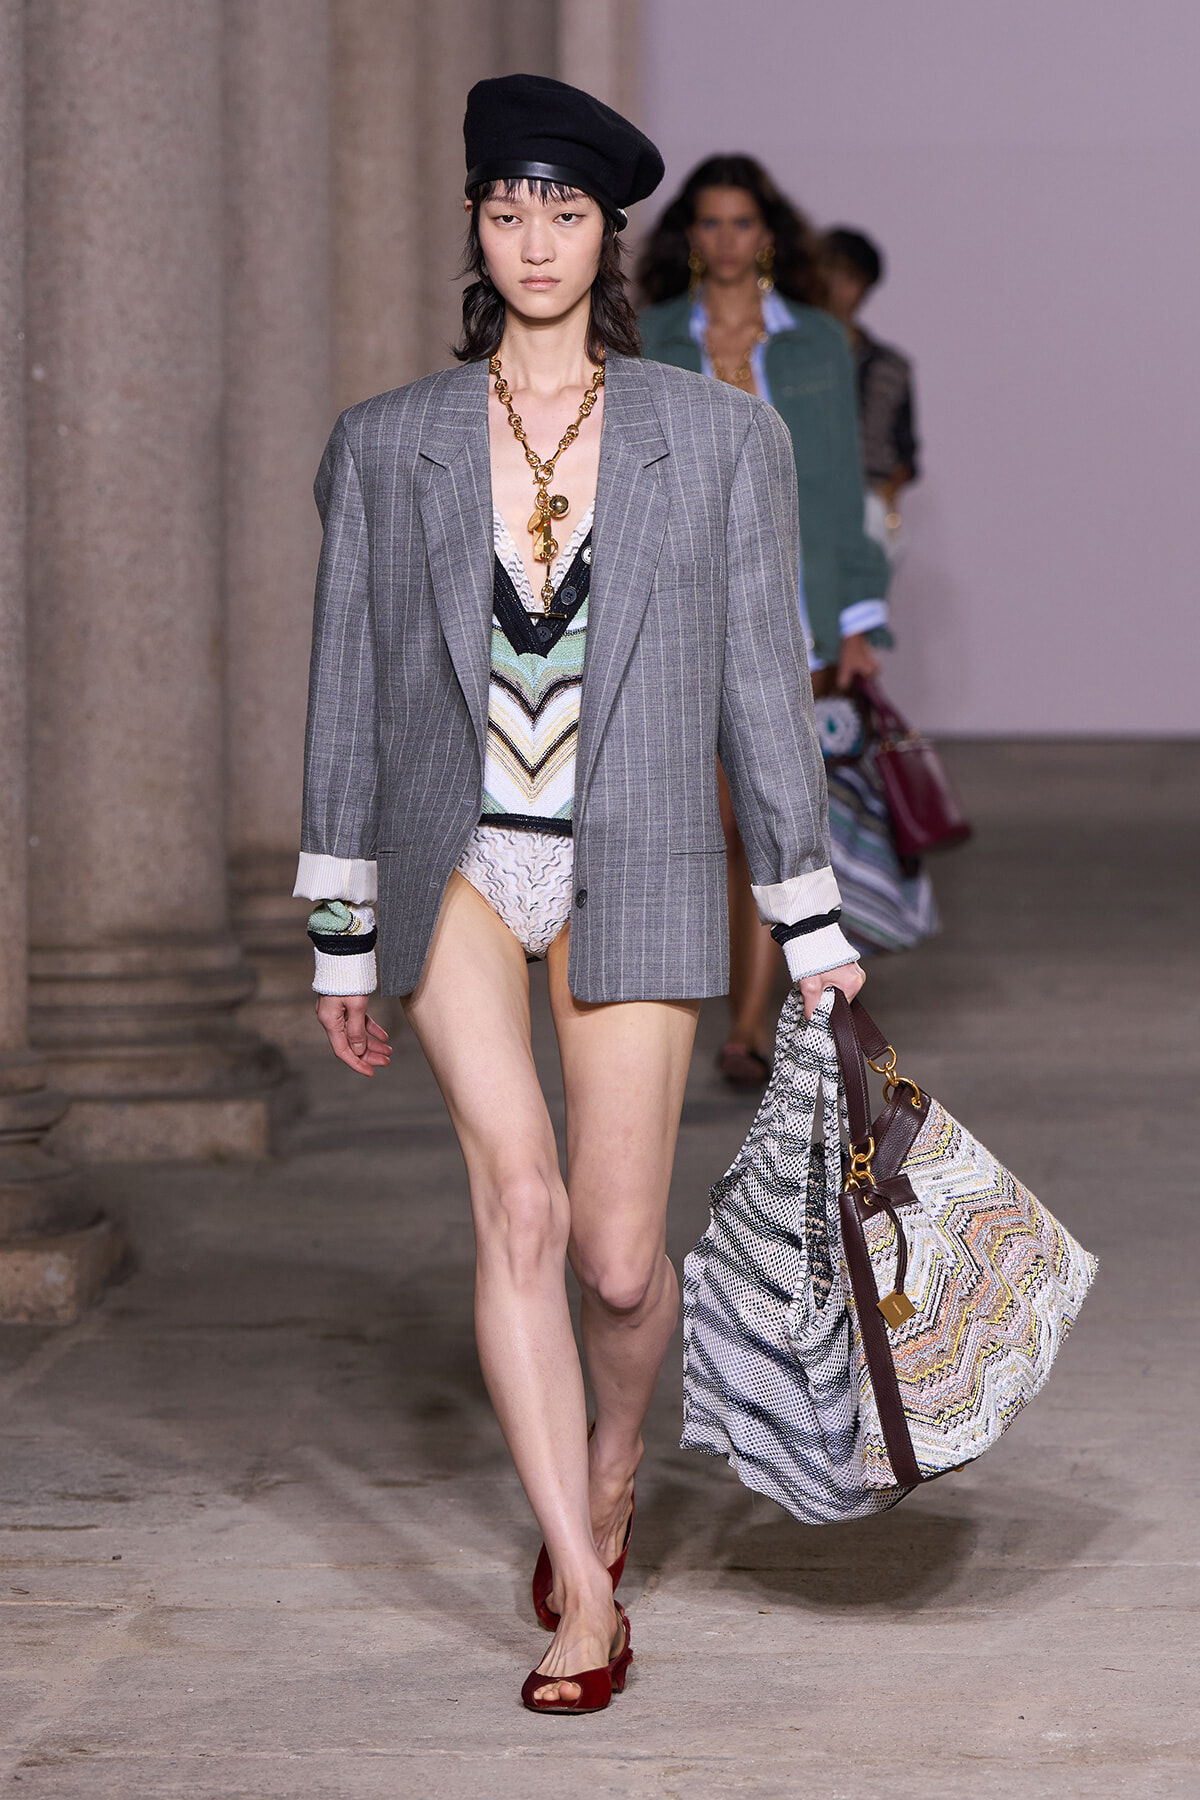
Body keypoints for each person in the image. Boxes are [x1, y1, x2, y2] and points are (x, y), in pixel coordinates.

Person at [293, 77, 865, 1715]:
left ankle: (615, 1457)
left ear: (606, 237)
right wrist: (340, 930)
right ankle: (584, 1594)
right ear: (475, 228)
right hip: (458, 857)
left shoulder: (720, 437)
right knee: (521, 1211)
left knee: (618, 1263)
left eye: (563, 213)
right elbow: (346, 689)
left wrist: (811, 923)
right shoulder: (388, 442)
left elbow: (759, 689)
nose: (534, 241)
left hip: (642, 850)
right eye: (506, 210)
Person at [637, 156, 890, 1084]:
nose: (725, 239)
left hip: (794, 610)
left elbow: (842, 487)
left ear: (767, 234)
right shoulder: (650, 338)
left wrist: (859, 619)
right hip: (678, 604)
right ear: (689, 235)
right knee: (707, 824)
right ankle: (702, 1009)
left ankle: (744, 1029)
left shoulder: (817, 341)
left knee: (766, 820)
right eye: (709, 222)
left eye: (741, 222)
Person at [821, 226, 921, 563]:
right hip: (802, 497)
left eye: (849, 278)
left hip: (868, 501)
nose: (835, 286)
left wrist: (885, 496)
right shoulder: (785, 356)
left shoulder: (891, 368)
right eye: (829, 271)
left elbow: (906, 452)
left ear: (866, 289)